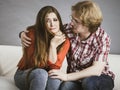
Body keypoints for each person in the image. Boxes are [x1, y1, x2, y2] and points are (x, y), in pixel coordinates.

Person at [19, 1, 115, 90]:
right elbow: (45, 29)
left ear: (88, 24)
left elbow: (96, 70)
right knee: (63, 87)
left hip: (100, 77)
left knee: (89, 83)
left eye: (76, 21)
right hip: (75, 79)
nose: (71, 23)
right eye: (72, 18)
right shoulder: (68, 30)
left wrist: (66, 76)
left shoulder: (102, 38)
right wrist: (22, 34)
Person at [14, 6, 70, 90]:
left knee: (54, 79)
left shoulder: (64, 40)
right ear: (42, 23)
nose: (52, 24)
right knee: (40, 73)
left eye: (55, 20)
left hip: (46, 73)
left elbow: (55, 68)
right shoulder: (32, 34)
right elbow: (35, 64)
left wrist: (53, 46)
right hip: (25, 74)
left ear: (59, 21)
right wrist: (52, 45)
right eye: (47, 21)